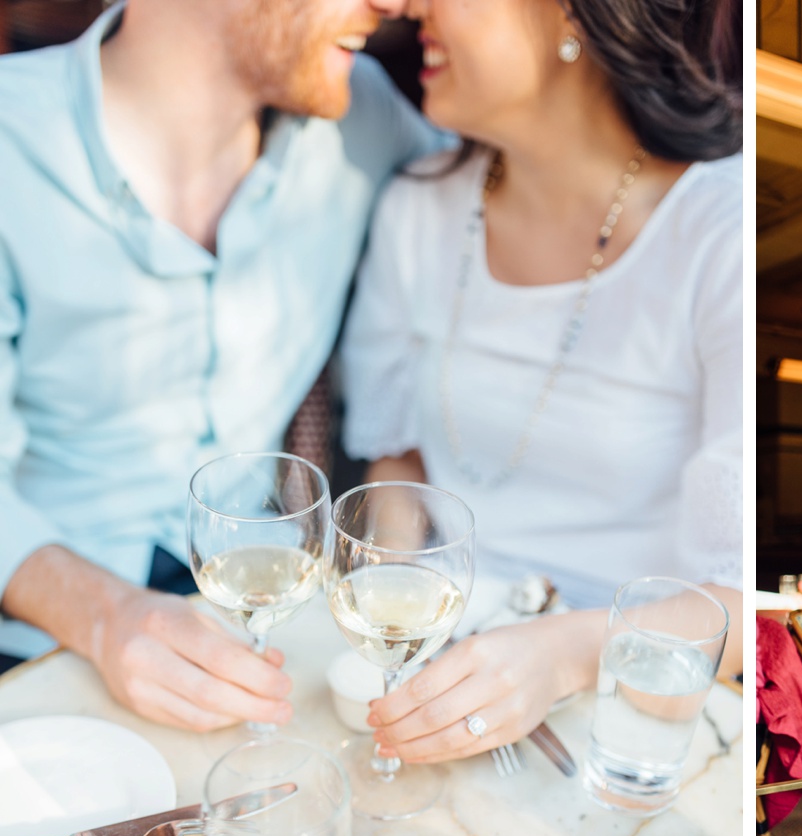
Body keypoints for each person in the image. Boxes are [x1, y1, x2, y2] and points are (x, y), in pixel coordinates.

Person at [0, 0, 441, 728]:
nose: (394, 4)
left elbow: (503, 210)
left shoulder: (367, 117)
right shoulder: (13, 145)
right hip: (43, 664)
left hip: (267, 632)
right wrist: (107, 619)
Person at [339, 0, 743, 763]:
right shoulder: (417, 206)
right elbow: (397, 457)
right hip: (446, 656)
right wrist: (392, 607)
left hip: (639, 707)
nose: (406, 6)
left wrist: (559, 658)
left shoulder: (721, 231)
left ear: (572, 14)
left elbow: (740, 601)